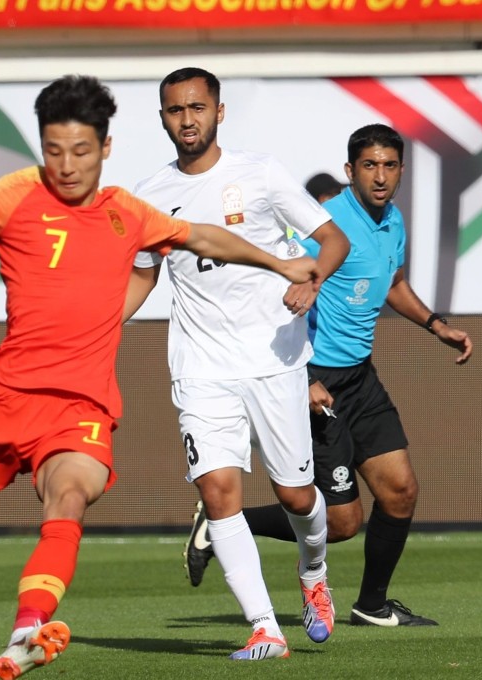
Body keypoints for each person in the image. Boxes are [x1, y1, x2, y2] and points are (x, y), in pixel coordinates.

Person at [0, 75, 318, 679]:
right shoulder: (15, 196)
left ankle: (28, 628)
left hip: (80, 407)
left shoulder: (126, 212)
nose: (67, 165)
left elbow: (202, 236)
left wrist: (279, 261)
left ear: (104, 148)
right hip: (4, 403)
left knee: (69, 496)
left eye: (80, 151)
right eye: (54, 151)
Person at [184, 123, 473, 627]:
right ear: (349, 171)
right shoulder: (326, 224)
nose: (379, 176)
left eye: (388, 165)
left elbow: (393, 282)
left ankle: (373, 605)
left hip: (359, 377)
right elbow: (278, 286)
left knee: (401, 491)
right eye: (369, 165)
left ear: (401, 171)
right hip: (314, 376)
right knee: (341, 524)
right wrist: (301, 375)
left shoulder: (393, 221)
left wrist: (434, 324)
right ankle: (224, 521)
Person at [122, 67, 351, 661]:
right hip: (200, 366)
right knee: (219, 490)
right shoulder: (148, 193)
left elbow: (333, 240)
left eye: (198, 107)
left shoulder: (260, 173)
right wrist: (97, 325)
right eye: (175, 110)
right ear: (163, 118)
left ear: (219, 112)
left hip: (274, 358)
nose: (188, 119)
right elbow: (143, 276)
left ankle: (313, 573)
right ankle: (264, 629)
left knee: (297, 495)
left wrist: (314, 281)